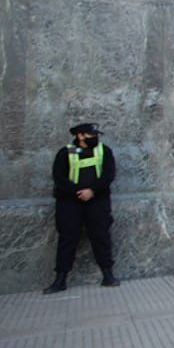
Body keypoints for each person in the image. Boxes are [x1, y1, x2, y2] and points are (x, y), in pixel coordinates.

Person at [44, 122, 119, 294]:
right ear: (80, 135)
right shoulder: (65, 153)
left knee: (101, 236)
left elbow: (109, 174)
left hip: (97, 201)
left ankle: (108, 275)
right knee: (67, 238)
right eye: (90, 135)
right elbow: (59, 177)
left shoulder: (104, 151)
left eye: (95, 135)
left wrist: (92, 191)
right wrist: (78, 192)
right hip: (69, 202)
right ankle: (60, 279)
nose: (94, 138)